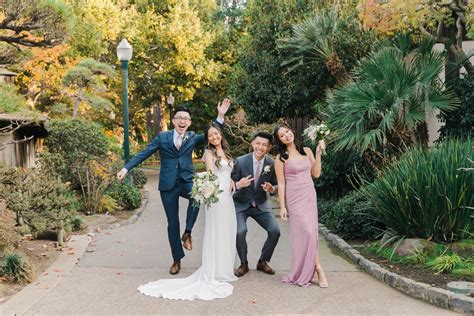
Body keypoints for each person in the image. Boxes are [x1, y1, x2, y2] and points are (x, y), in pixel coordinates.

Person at [117, 99, 231, 275]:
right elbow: (144, 152)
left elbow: (212, 133)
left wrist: (220, 116)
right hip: (168, 185)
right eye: (179, 118)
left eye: (186, 118)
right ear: (173, 120)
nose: (182, 121)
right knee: (172, 223)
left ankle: (187, 233)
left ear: (189, 122)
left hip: (186, 180)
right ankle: (176, 260)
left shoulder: (192, 137)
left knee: (197, 196)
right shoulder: (162, 138)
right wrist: (126, 168)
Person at [137, 123, 237, 300]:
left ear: (221, 134)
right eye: (211, 135)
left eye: (216, 134)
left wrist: (233, 181)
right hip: (214, 196)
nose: (214, 137)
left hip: (228, 199)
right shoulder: (208, 153)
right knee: (177, 223)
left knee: (227, 231)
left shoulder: (227, 152)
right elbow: (210, 175)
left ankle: (224, 269)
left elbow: (229, 171)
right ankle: (200, 263)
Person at [273, 125, 328, 288]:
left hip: (309, 195)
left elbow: (316, 173)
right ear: (280, 140)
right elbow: (281, 183)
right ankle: (318, 269)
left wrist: (318, 153)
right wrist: (282, 206)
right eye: (282, 135)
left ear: (292, 132)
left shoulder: (306, 151)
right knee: (307, 233)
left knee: (311, 233)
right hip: (294, 198)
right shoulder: (280, 158)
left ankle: (315, 268)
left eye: (287, 132)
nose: (286, 135)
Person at [231, 132, 280, 277]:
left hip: (260, 203)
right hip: (240, 204)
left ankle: (263, 261)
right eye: (258, 143)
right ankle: (243, 263)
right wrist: (238, 184)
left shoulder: (271, 164)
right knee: (240, 231)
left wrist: (272, 189)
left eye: (264, 145)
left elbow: (277, 185)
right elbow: (230, 184)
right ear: (252, 144)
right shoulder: (240, 161)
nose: (260, 147)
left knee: (275, 231)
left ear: (269, 147)